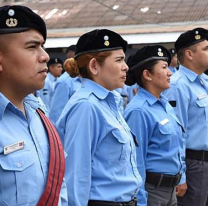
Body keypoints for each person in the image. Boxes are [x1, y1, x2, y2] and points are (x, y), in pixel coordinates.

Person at [56, 29, 142, 206]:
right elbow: (75, 174)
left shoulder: (109, 101)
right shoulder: (86, 106)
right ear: (94, 66)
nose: (125, 66)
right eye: (119, 60)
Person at [0, 5, 67, 206]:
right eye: (32, 47)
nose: (45, 56)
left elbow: (59, 186)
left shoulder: (38, 113)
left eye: (42, 46)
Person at [123, 45, 187, 206]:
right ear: (147, 75)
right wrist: (141, 200)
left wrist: (182, 176)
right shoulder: (139, 110)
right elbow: (136, 160)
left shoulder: (163, 104)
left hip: (170, 189)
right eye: (164, 67)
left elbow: (177, 146)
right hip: (152, 191)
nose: (170, 72)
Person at [163, 27, 208, 206]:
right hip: (193, 164)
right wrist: (180, 175)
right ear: (189, 54)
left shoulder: (204, 81)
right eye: (205, 49)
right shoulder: (177, 85)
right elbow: (176, 133)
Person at [49, 45, 82, 125]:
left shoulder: (86, 79)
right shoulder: (64, 82)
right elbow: (56, 114)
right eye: (69, 60)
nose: (71, 63)